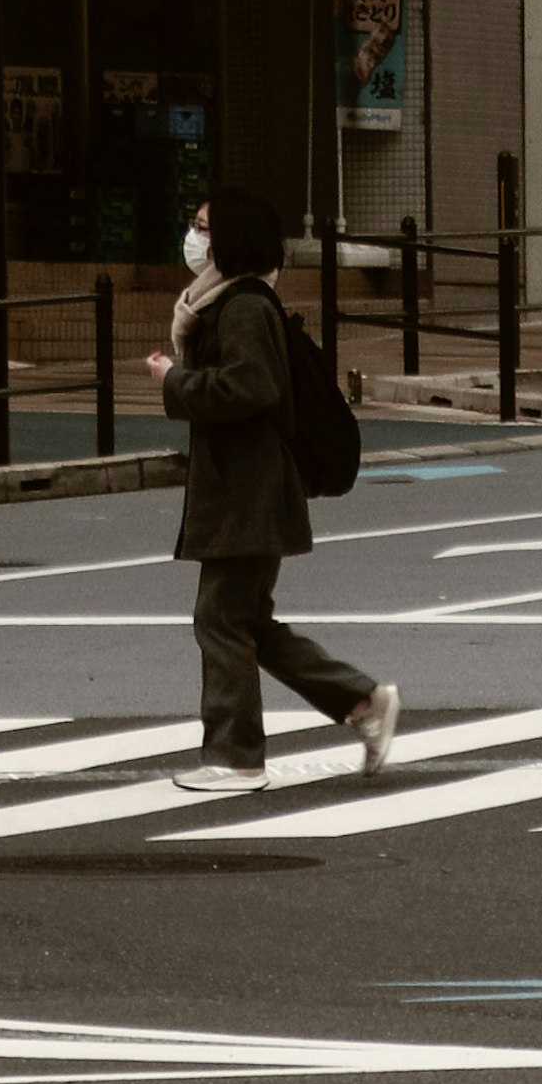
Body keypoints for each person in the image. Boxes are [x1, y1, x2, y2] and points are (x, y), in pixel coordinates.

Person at [159, 186, 397, 801]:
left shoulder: (241, 307)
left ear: (233, 238)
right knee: (244, 620)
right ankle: (360, 700)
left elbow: (251, 388)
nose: (196, 237)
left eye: (206, 227)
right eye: (195, 224)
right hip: (245, 490)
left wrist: (176, 381)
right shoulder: (229, 302)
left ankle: (237, 757)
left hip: (248, 492)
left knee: (220, 618)